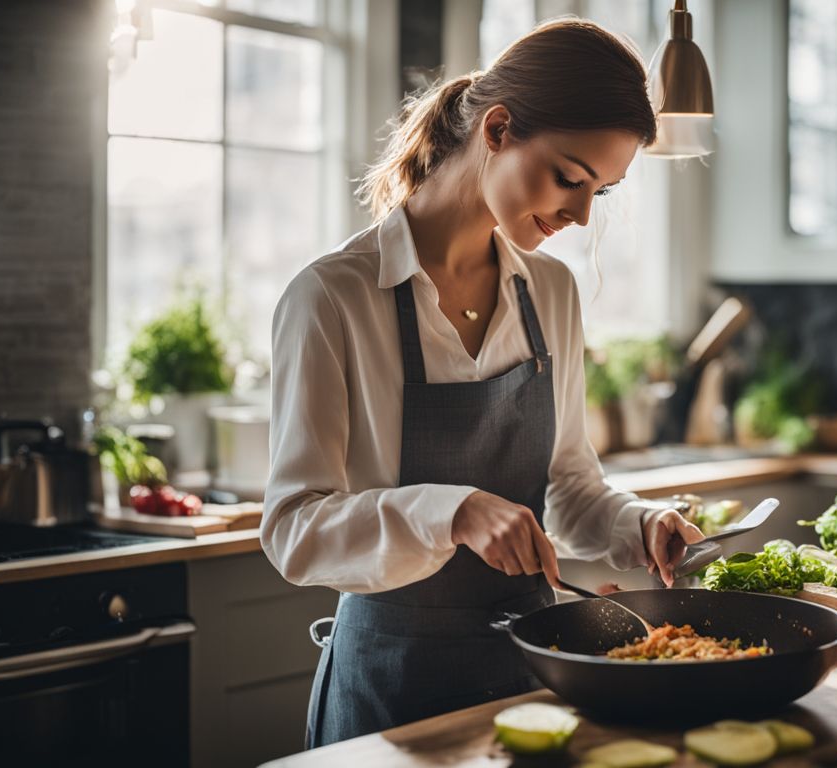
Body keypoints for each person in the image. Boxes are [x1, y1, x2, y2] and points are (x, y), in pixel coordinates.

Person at [260, 18, 705, 749]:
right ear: (497, 129)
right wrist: (452, 512)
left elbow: (567, 486)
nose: (580, 213)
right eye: (569, 178)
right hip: (387, 691)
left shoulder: (551, 293)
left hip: (530, 678)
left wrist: (637, 523)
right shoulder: (333, 298)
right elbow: (293, 529)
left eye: (603, 190)